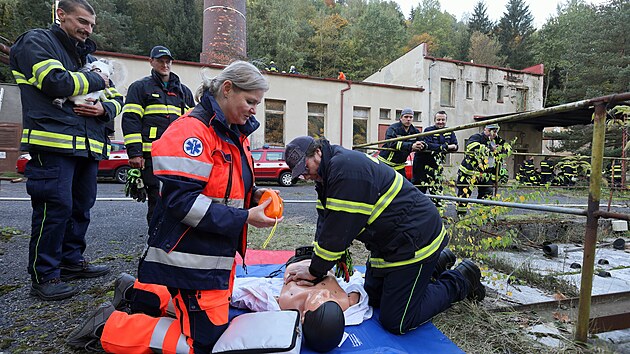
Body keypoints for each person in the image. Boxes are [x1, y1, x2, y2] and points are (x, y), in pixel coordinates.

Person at [67, 61, 280, 353]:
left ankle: (135, 292)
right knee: (204, 343)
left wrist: (256, 195)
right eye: (251, 101)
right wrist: (245, 217)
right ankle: (110, 326)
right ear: (228, 90)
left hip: (212, 255)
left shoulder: (231, 132)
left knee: (204, 313)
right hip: (192, 257)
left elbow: (225, 187)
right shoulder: (192, 132)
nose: (254, 109)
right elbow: (182, 201)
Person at [282, 136, 484, 336]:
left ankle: (462, 278)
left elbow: (336, 233)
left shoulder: (345, 172)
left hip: (414, 240)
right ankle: (437, 263)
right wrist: (313, 259)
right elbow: (325, 221)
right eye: (300, 173)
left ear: (317, 152)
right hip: (388, 242)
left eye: (305, 168)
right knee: (373, 298)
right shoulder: (329, 173)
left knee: (397, 319)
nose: (304, 176)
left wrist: (315, 270)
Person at [9, 0, 122, 301]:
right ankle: (44, 274)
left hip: (88, 145)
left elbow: (117, 97)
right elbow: (54, 82)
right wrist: (98, 79)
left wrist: (103, 108)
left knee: (80, 207)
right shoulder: (36, 41)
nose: (87, 29)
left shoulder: (85, 55)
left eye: (91, 25)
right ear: (61, 14)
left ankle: (71, 262)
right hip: (53, 141)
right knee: (53, 209)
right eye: (82, 21)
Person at [122, 45, 195, 226]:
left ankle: (172, 241)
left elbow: (192, 124)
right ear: (151, 62)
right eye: (160, 61)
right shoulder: (140, 88)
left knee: (179, 198)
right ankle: (155, 242)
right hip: (151, 156)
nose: (165, 65)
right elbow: (131, 120)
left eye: (167, 61)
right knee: (156, 198)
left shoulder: (183, 92)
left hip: (178, 157)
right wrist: (135, 153)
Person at [455, 123, 508, 216]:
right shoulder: (477, 137)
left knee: (486, 196)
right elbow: (471, 146)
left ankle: (482, 217)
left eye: (495, 131)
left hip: (486, 174)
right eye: (491, 131)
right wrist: (490, 148)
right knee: (464, 195)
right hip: (469, 173)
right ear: (485, 129)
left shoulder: (497, 140)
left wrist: (502, 149)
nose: (493, 134)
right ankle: (461, 215)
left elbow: (508, 149)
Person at [412, 111, 458, 200]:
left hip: (436, 165)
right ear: (434, 120)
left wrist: (441, 147)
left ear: (446, 121)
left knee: (437, 190)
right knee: (419, 190)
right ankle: (418, 212)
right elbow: (429, 146)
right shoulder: (428, 131)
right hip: (422, 165)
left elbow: (456, 146)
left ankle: (437, 211)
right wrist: (447, 146)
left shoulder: (449, 132)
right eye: (438, 120)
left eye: (443, 120)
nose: (440, 122)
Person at [377, 108, 424, 178]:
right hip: (385, 163)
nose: (408, 119)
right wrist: (411, 146)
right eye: (406, 117)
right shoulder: (393, 128)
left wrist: (422, 145)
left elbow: (423, 141)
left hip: (400, 165)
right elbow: (391, 143)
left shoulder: (415, 131)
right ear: (401, 117)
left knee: (403, 187)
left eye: (410, 117)